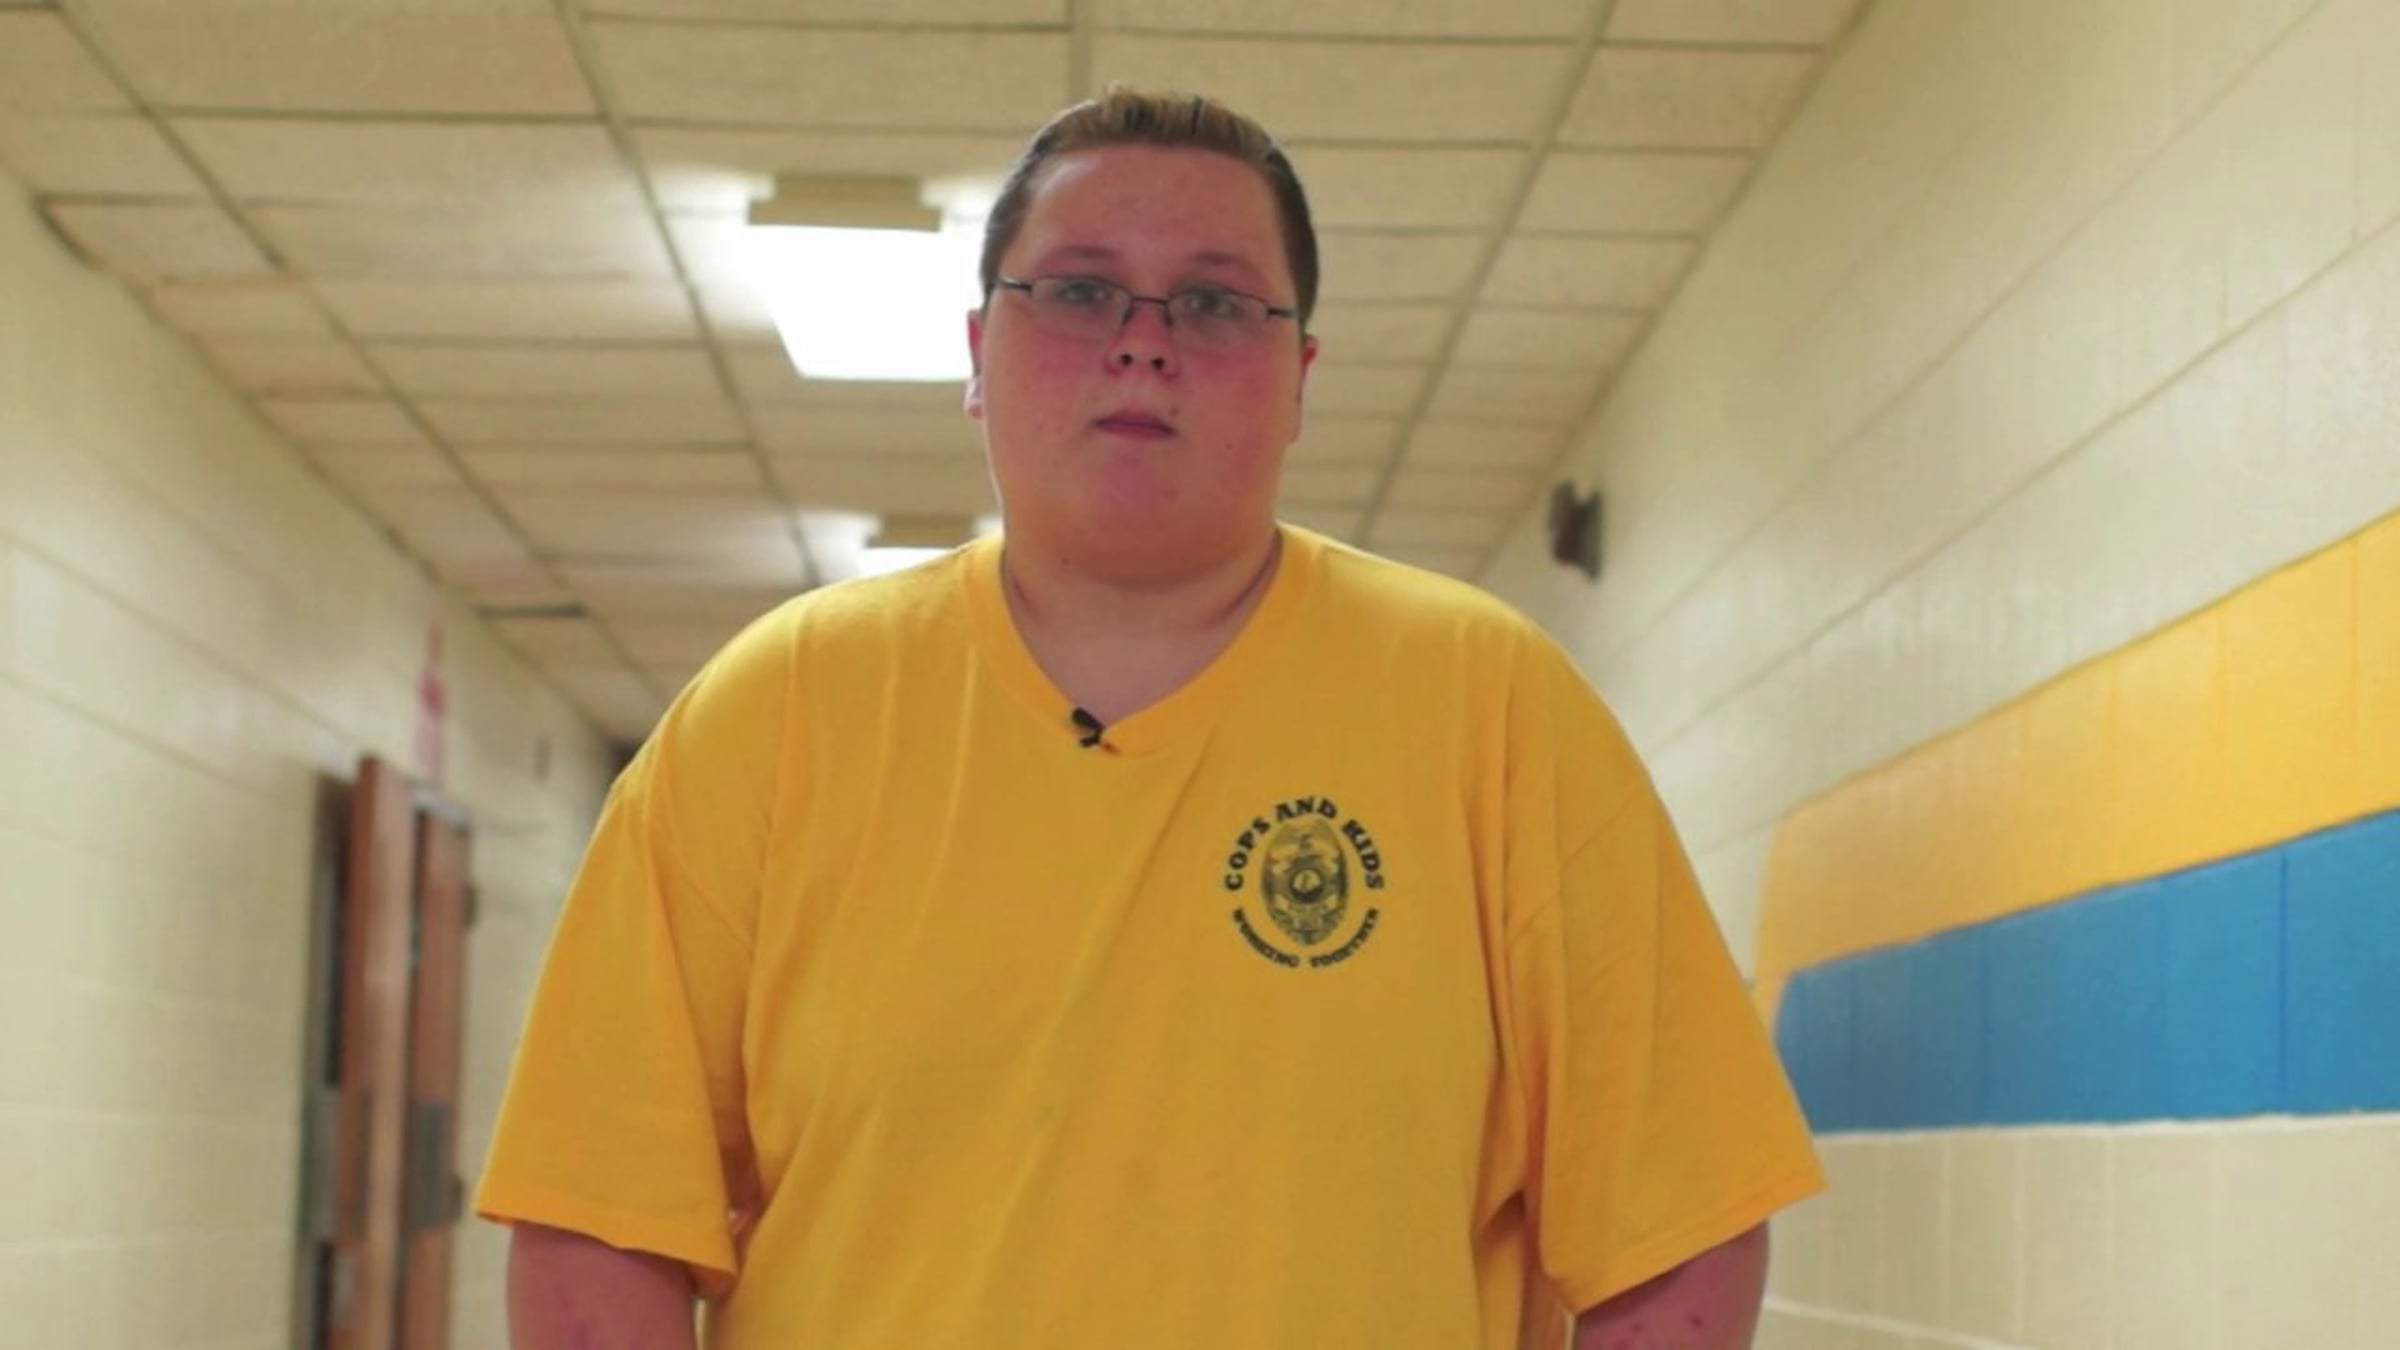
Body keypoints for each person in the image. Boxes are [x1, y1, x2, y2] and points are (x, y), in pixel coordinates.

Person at [477, 88, 1822, 1350]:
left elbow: (1680, 1229)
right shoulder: (772, 713)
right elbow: (600, 1223)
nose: (1142, 339)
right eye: (1077, 289)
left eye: (1216, 303)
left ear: (1299, 377)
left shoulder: (1495, 708)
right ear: (978, 354)